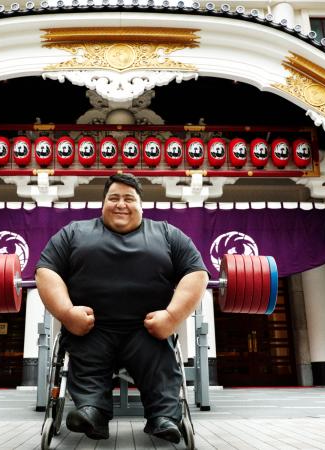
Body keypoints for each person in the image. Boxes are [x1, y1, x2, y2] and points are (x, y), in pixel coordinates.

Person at [35, 173, 209, 443]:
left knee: (159, 359)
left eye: (129, 198)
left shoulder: (167, 234)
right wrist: (67, 313)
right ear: (102, 203)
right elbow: (46, 271)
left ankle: (163, 417)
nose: (121, 204)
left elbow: (196, 273)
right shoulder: (73, 232)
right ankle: (92, 411)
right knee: (86, 356)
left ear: (141, 204)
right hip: (92, 328)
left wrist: (172, 317)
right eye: (113, 198)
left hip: (146, 329)